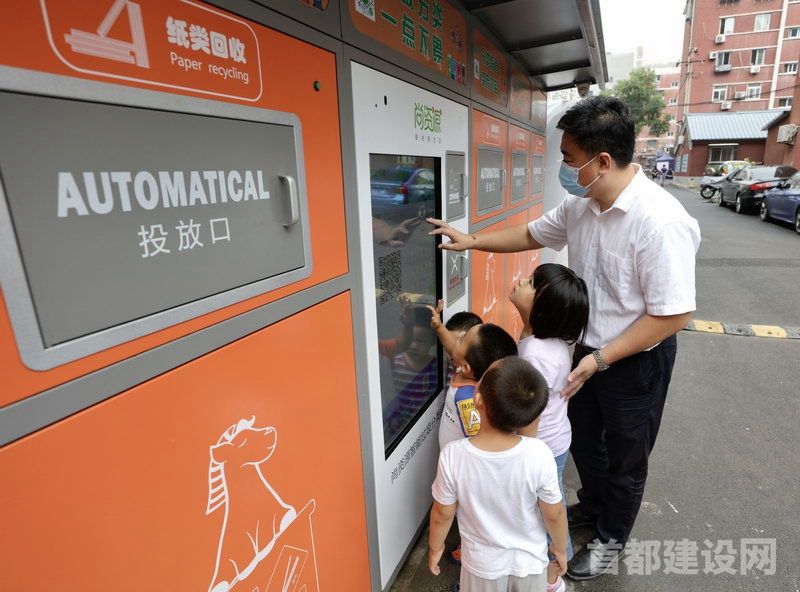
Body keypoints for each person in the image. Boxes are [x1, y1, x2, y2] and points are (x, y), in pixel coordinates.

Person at [428, 95, 701, 580]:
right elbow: (531, 234)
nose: (564, 168)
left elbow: (673, 314)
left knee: (627, 456)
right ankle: (592, 506)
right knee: (586, 443)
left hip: (635, 360)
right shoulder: (581, 205)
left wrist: (602, 359)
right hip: (584, 353)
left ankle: (611, 537)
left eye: (569, 158)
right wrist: (472, 241)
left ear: (602, 161)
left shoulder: (660, 222)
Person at [428, 356, 569, 592]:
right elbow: (554, 513)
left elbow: (442, 513)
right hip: (530, 564)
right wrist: (560, 548)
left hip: (481, 567)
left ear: (477, 399)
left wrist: (436, 547)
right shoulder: (539, 454)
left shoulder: (453, 455)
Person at [508, 263, 589, 592]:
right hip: (554, 441)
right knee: (548, 506)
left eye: (530, 282)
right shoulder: (542, 341)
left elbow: (531, 416)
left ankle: (554, 574)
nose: (520, 281)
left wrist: (520, 457)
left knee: (544, 511)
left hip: (540, 446)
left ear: (542, 307)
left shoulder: (535, 356)